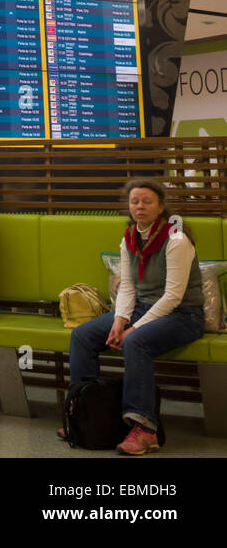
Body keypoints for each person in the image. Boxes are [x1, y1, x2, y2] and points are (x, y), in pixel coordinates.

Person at [64, 178, 205, 454]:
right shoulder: (129, 238)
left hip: (183, 315)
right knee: (82, 335)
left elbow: (173, 297)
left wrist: (134, 328)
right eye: (134, 201)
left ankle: (146, 429)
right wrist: (119, 321)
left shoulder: (176, 239)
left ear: (161, 206)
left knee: (135, 342)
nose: (139, 206)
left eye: (147, 201)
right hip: (142, 309)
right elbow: (128, 286)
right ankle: (86, 413)